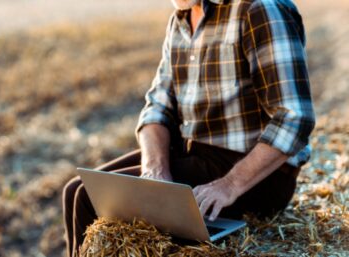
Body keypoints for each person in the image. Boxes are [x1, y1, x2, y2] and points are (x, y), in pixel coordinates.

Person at [62, 0, 315, 256]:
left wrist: (229, 185)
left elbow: (294, 118)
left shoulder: (258, 9)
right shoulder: (180, 20)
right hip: (195, 152)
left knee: (87, 199)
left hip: (256, 173)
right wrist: (155, 169)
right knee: (75, 190)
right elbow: (157, 108)